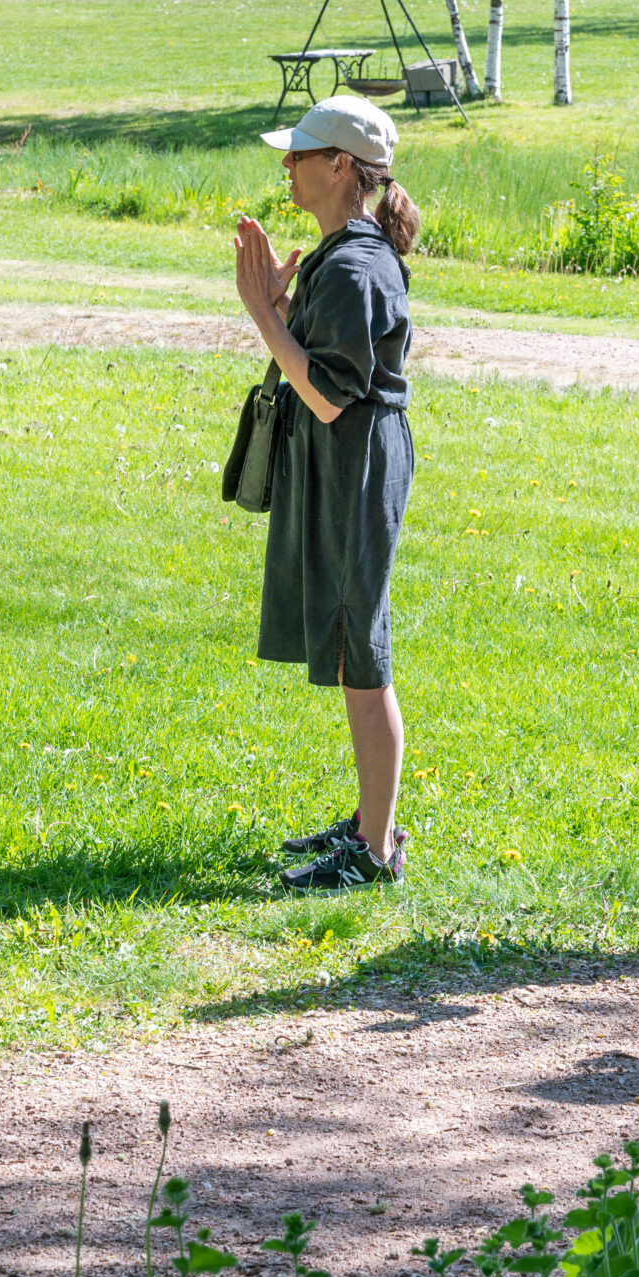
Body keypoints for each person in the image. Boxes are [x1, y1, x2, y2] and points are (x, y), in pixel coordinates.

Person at [234, 96, 421, 892]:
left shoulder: (353, 263)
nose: (287, 165)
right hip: (350, 459)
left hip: (357, 460)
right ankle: (367, 824)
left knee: (360, 651)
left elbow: (331, 395)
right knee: (352, 642)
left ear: (341, 165)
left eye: (302, 153)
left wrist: (261, 317)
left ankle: (374, 851)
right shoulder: (340, 252)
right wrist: (281, 305)